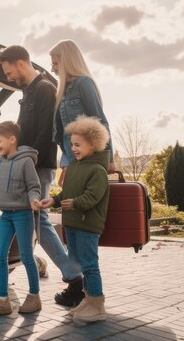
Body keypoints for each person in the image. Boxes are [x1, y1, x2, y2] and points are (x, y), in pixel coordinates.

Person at [0, 45, 86, 307]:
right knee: (28, 221)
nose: (8, 76)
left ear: (21, 63)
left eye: (9, 71)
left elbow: (47, 132)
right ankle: (3, 278)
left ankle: (75, 278)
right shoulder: (29, 92)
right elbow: (23, 132)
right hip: (27, 162)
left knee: (39, 222)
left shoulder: (44, 89)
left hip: (37, 165)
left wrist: (25, 161)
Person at [40, 115, 110, 323]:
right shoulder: (75, 167)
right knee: (79, 264)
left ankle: (97, 305)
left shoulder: (98, 170)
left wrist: (76, 203)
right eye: (72, 144)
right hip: (72, 224)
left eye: (78, 144)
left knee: (89, 265)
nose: (73, 149)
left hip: (87, 226)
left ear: (93, 144)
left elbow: (92, 197)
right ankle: (87, 301)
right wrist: (53, 200)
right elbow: (67, 192)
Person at [0, 121, 43, 316]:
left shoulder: (26, 161)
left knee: (27, 257)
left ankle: (34, 296)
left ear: (12, 139)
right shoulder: (0, 162)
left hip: (23, 215)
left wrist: (34, 200)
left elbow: (33, 187)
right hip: (6, 216)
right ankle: (2, 300)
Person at [49, 39, 114, 188]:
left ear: (67, 61)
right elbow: (62, 134)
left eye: (55, 64)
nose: (53, 69)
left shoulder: (84, 84)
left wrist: (109, 159)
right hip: (71, 158)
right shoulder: (62, 91)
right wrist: (65, 162)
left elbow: (101, 122)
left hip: (89, 159)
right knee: (70, 203)